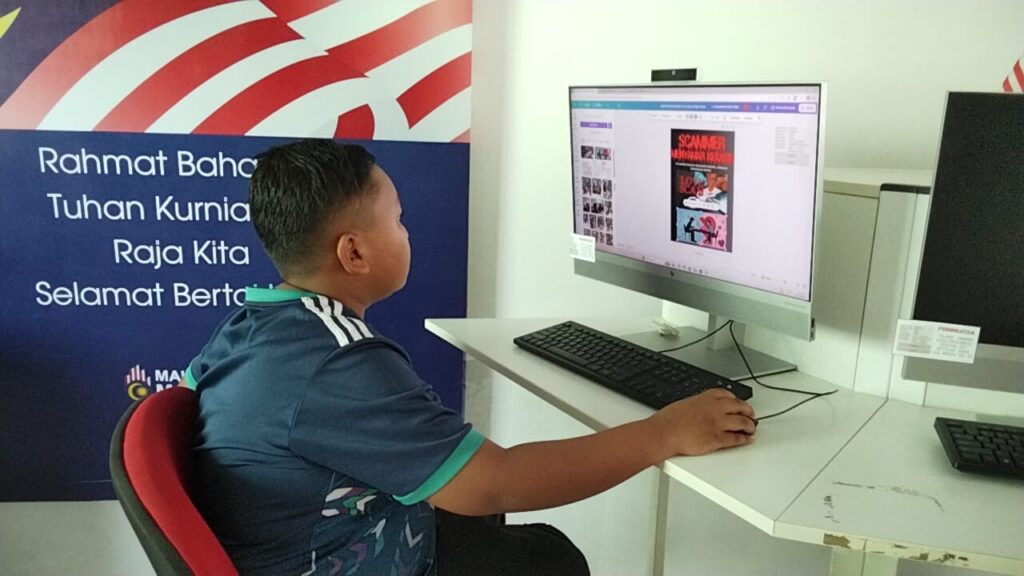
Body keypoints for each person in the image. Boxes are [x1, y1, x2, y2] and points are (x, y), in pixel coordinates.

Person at [183, 140, 756, 576]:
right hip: (341, 559)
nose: (407, 233)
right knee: (551, 558)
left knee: (491, 525)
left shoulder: (247, 326)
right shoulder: (341, 362)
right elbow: (496, 483)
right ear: (353, 252)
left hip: (306, 536)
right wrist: (662, 433)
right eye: (398, 220)